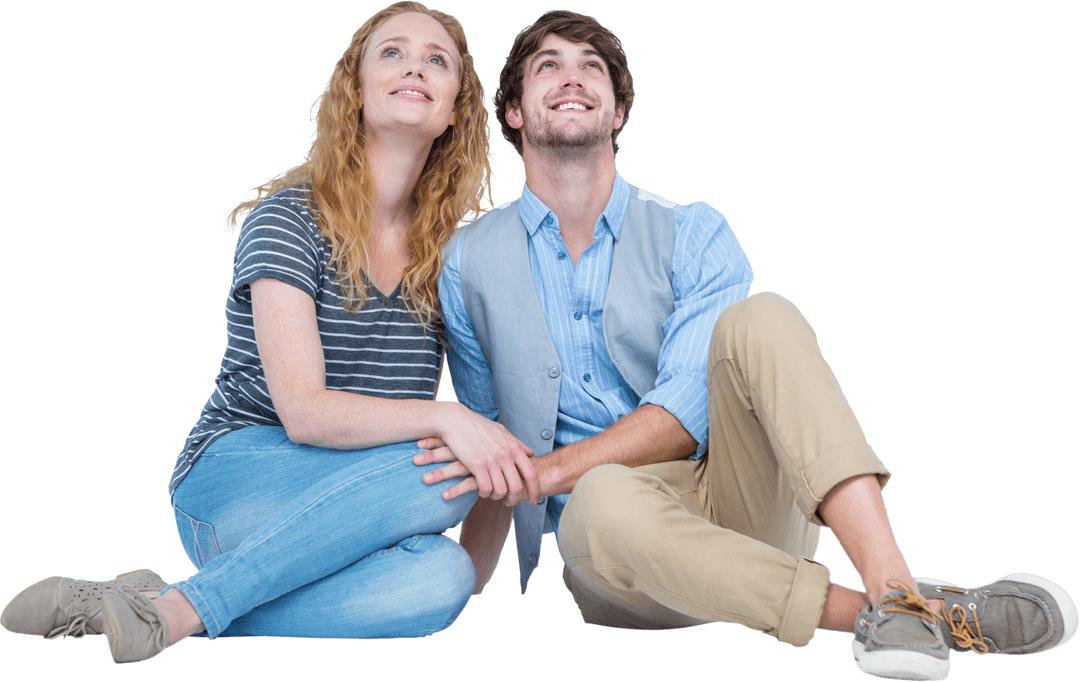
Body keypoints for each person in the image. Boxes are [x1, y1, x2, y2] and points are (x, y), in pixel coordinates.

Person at [420, 10, 1078, 681]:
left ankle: (892, 582)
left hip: (741, 504)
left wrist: (552, 470)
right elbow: (491, 444)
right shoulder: (468, 261)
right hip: (619, 556)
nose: (573, 78)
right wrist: (463, 588)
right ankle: (902, 613)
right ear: (513, 112)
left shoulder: (696, 234)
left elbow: (681, 418)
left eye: (593, 67)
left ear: (618, 113)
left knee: (760, 318)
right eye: (548, 66)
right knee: (599, 498)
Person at [1, 1, 538, 664]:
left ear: (456, 106)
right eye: (392, 52)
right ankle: (184, 605)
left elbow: (495, 435)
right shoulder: (288, 220)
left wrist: (471, 580)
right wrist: (447, 418)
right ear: (357, 90)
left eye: (437, 59)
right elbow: (305, 412)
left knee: (441, 579)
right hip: (233, 488)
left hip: (359, 510)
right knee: (443, 461)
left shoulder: (459, 256)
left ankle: (157, 606)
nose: (415, 67)